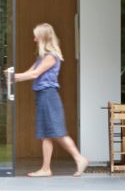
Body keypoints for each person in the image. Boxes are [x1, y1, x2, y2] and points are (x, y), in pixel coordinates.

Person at [6, 22, 87, 177]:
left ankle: (78, 158)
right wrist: (11, 77)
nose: (34, 39)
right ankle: (46, 168)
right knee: (46, 133)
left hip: (48, 95)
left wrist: (12, 77)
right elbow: (28, 73)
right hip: (43, 95)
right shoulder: (41, 57)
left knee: (57, 132)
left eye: (36, 36)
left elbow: (34, 75)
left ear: (43, 37)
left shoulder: (51, 57)